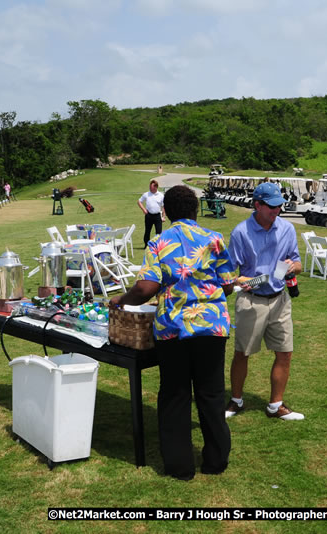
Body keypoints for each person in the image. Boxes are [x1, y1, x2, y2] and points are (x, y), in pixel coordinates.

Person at [110, 185, 235, 481]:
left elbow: (146, 288)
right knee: (211, 394)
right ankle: (216, 461)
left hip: (174, 331)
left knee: (175, 395)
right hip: (211, 327)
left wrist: (121, 300)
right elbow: (228, 284)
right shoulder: (214, 239)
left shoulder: (159, 242)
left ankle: (180, 467)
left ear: (165, 211)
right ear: (195, 210)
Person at [225, 182, 305, 421]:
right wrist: (243, 280)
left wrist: (293, 267)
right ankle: (236, 400)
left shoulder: (287, 228)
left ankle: (275, 405)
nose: (277, 210)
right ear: (257, 205)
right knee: (242, 353)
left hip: (280, 300)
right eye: (271, 206)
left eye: (279, 206)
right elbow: (228, 273)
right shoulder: (241, 232)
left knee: (285, 353)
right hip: (251, 301)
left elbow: (297, 263)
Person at [137, 179, 166, 247]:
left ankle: (158, 246)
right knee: (147, 231)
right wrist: (144, 209)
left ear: (156, 187)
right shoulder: (146, 194)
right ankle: (146, 245)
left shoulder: (161, 195)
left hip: (157, 216)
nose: (150, 189)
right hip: (149, 215)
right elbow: (139, 201)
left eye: (152, 187)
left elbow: (163, 206)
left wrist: (163, 216)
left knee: (158, 232)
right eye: (150, 187)